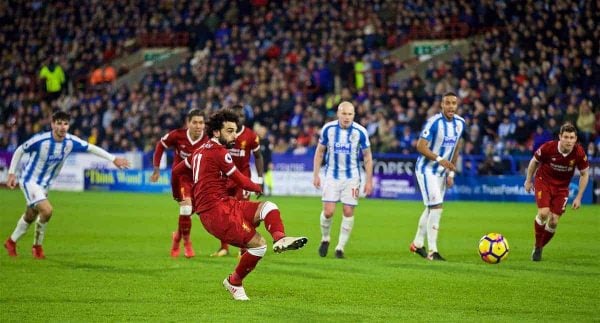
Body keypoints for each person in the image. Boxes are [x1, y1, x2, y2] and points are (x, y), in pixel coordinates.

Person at [172, 109, 307, 300]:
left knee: (269, 207)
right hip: (216, 214)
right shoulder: (219, 152)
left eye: (235, 130)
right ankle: (234, 282)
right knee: (259, 246)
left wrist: (177, 195)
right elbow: (240, 180)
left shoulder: (198, 152)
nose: (234, 135)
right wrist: (257, 186)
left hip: (227, 204)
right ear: (217, 132)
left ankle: (280, 238)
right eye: (229, 130)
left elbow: (176, 172)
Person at [3, 110, 130, 259]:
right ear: (52, 124)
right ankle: (37, 247)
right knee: (47, 210)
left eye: (66, 123)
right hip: (30, 180)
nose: (63, 127)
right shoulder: (41, 140)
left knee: (31, 215)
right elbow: (19, 150)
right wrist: (12, 173)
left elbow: (91, 148)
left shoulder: (70, 141)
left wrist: (113, 158)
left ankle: (11, 242)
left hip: (45, 185)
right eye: (59, 123)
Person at [312, 101, 373, 259]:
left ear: (354, 115)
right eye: (344, 114)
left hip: (352, 177)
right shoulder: (328, 129)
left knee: (348, 211)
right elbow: (319, 152)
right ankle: (325, 239)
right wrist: (316, 174)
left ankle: (340, 248)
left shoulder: (360, 131)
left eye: (350, 114)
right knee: (328, 212)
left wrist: (369, 180)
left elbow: (367, 157)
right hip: (332, 175)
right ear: (338, 114)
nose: (347, 117)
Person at [409, 92, 465, 261]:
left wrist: (451, 172)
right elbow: (420, 146)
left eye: (454, 103)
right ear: (442, 105)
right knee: (437, 207)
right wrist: (440, 159)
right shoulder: (434, 123)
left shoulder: (460, 123)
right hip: (426, 170)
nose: (451, 106)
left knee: (431, 207)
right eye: (447, 103)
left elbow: (456, 147)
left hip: (442, 172)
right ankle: (433, 251)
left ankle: (417, 244)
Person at [524, 123, 589, 261]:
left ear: (576, 138)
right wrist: (529, 180)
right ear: (560, 137)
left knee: (553, 221)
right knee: (543, 213)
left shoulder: (578, 152)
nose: (569, 140)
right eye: (566, 137)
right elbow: (534, 161)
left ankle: (539, 247)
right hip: (544, 181)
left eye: (572, 137)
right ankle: (538, 245)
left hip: (562, 188)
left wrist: (579, 197)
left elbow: (585, 174)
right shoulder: (549, 147)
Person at [150, 109, 208, 258]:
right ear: (188, 123)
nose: (198, 126)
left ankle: (177, 236)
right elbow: (160, 145)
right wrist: (156, 168)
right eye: (194, 122)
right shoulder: (178, 135)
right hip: (181, 178)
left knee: (189, 212)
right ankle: (186, 243)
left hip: (199, 180)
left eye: (201, 122)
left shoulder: (208, 139)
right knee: (186, 209)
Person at [211, 104, 264, 257]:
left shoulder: (250, 136)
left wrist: (259, 179)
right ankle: (223, 247)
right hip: (224, 179)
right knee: (222, 213)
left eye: (241, 116)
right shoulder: (222, 134)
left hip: (242, 180)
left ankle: (243, 249)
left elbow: (259, 156)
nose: (239, 118)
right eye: (236, 116)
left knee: (241, 214)